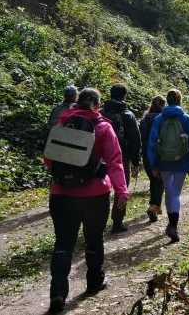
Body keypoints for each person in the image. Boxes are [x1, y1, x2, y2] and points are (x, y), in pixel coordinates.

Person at [44, 88, 129, 313]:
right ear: (98, 105)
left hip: (61, 194)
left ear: (76, 103)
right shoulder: (103, 127)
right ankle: (94, 281)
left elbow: (49, 160)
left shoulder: (61, 124)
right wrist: (122, 191)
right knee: (94, 239)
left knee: (63, 243)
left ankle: (58, 293)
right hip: (95, 195)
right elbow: (115, 161)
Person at [146, 89, 189, 242]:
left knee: (169, 192)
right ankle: (173, 226)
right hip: (182, 160)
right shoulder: (185, 119)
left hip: (164, 162)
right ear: (179, 101)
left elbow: (151, 143)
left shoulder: (159, 119)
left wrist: (153, 163)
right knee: (175, 193)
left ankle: (171, 225)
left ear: (168, 100)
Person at [101, 84, 142, 234]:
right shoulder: (127, 114)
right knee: (121, 189)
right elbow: (135, 140)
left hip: (100, 158)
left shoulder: (100, 112)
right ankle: (117, 222)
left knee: (101, 188)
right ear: (124, 96)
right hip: (121, 158)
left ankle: (97, 221)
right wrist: (136, 160)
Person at [139, 95, 166, 223]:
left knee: (153, 180)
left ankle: (153, 205)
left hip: (146, 155)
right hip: (159, 155)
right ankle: (153, 207)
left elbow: (141, 139)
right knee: (159, 181)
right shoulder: (163, 119)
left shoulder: (144, 120)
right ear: (163, 105)